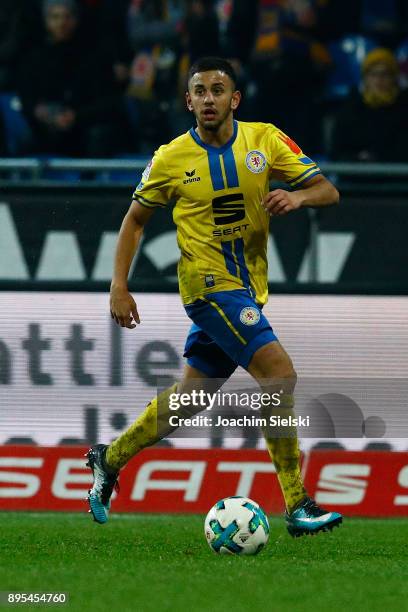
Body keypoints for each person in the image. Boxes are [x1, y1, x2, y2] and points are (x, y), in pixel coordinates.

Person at [86, 56, 342, 537]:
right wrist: (119, 286)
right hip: (206, 287)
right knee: (280, 374)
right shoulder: (170, 158)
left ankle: (109, 458)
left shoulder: (265, 140)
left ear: (234, 99)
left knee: (191, 399)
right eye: (199, 90)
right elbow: (134, 220)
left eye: (217, 89)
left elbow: (327, 190)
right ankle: (298, 503)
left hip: (248, 287)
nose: (208, 98)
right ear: (188, 101)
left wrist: (299, 197)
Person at [16, 0, 128, 157]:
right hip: (47, 127)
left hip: (85, 126)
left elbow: (108, 101)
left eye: (67, 17)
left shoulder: (94, 56)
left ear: (76, 20)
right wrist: (39, 112)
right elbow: (27, 97)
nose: (62, 23)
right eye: (55, 17)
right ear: (46, 21)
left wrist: (76, 116)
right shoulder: (35, 59)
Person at [331, 47, 408, 162]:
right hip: (356, 176)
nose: (379, 80)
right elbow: (337, 151)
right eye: (373, 74)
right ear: (365, 78)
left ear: (394, 78)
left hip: (397, 176)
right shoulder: (351, 110)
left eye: (385, 74)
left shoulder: (404, 109)